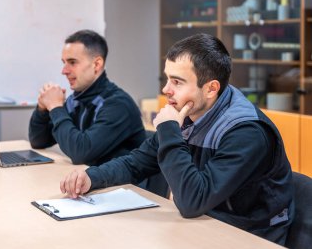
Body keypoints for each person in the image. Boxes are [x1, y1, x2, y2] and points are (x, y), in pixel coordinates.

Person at [60, 33, 294, 246]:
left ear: (211, 88)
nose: (166, 89)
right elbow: (136, 162)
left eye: (177, 82)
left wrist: (170, 129)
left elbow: (193, 200)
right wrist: (91, 177)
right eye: (167, 79)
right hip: (203, 224)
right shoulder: (190, 112)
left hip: (249, 236)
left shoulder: (246, 131)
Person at [29, 30, 146, 166]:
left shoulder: (118, 105)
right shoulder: (76, 100)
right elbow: (38, 141)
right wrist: (42, 109)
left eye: (72, 62)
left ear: (96, 64)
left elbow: (81, 154)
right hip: (92, 180)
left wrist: (55, 107)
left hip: (123, 186)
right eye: (64, 63)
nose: (64, 71)